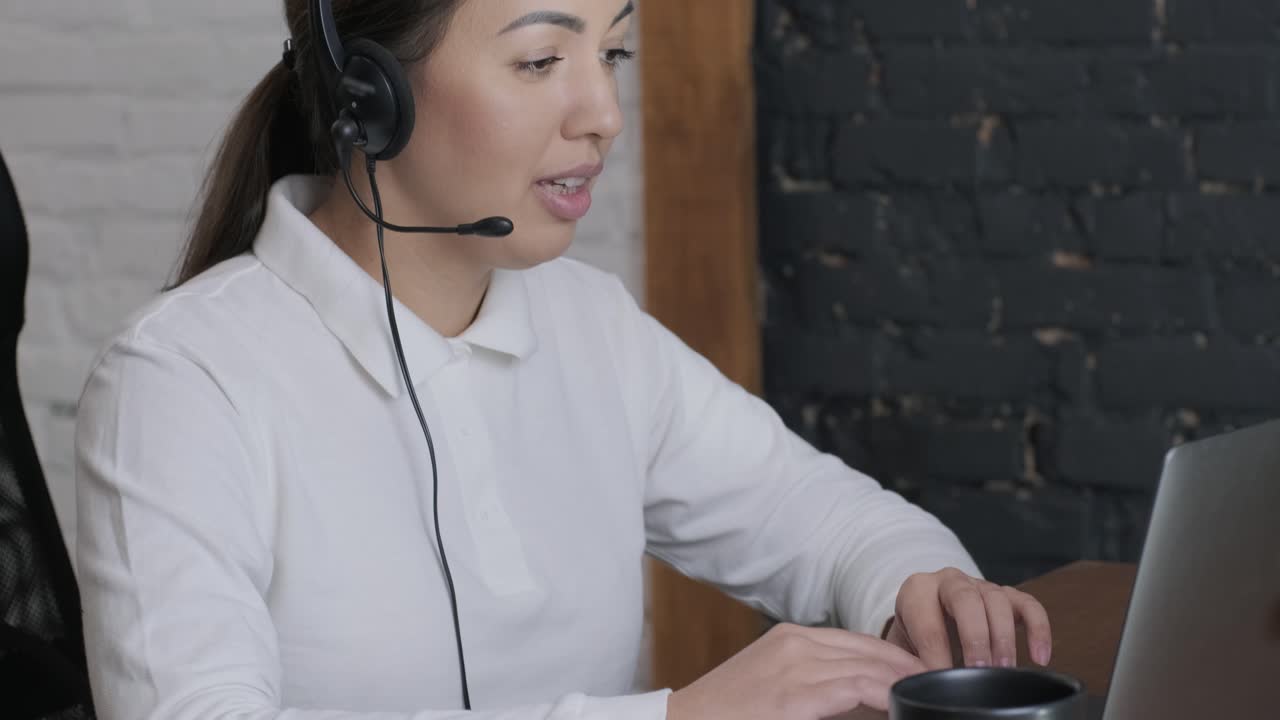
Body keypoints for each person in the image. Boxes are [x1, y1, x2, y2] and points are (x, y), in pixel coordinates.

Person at [73, 1, 1054, 719]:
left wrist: (921, 590)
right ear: (371, 97)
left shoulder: (591, 326)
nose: (603, 113)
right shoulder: (181, 380)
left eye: (611, 52)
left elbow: (829, 521)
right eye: (541, 60)